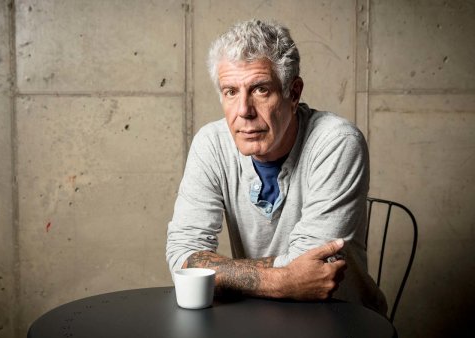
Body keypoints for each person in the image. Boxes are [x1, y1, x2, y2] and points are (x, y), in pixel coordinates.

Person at [166, 19, 387, 315]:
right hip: (257, 320)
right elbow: (182, 257)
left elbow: (313, 268)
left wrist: (215, 270)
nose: (243, 111)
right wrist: (284, 280)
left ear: (293, 94)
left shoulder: (337, 141)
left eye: (260, 90)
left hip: (340, 322)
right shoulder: (211, 144)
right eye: (231, 91)